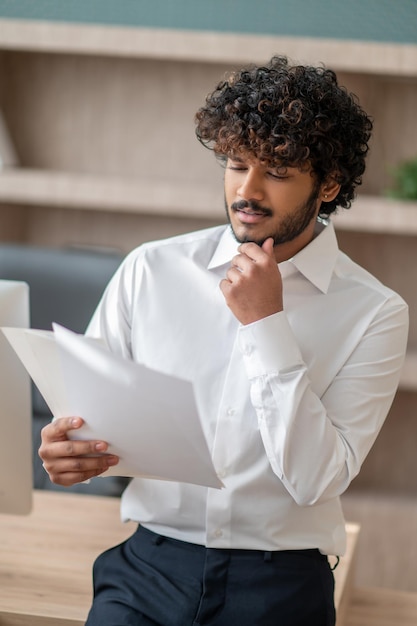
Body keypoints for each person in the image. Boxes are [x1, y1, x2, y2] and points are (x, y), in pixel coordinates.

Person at [39, 56, 408, 626]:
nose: (248, 190)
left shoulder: (375, 312)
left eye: (277, 173)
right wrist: (69, 453)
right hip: (147, 567)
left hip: (280, 583)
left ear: (328, 184)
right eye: (236, 164)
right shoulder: (151, 270)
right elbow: (88, 420)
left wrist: (266, 325)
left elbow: (316, 480)